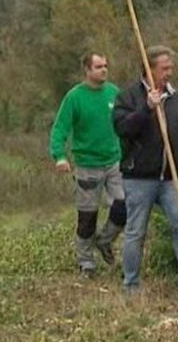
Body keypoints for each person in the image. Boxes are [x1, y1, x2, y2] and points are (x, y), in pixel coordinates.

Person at [113, 45, 178, 301]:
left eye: (171, 68)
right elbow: (122, 129)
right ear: (149, 69)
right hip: (139, 177)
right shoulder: (128, 97)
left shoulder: (175, 98)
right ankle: (131, 286)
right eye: (164, 68)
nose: (169, 73)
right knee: (136, 231)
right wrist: (146, 109)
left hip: (172, 178)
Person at [49, 52, 126, 278]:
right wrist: (59, 156)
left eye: (106, 66)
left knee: (125, 206)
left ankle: (105, 240)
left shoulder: (114, 93)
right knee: (87, 217)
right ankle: (86, 263)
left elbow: (126, 123)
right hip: (88, 165)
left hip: (114, 161)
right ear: (87, 70)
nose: (104, 70)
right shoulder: (75, 97)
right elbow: (60, 129)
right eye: (99, 66)